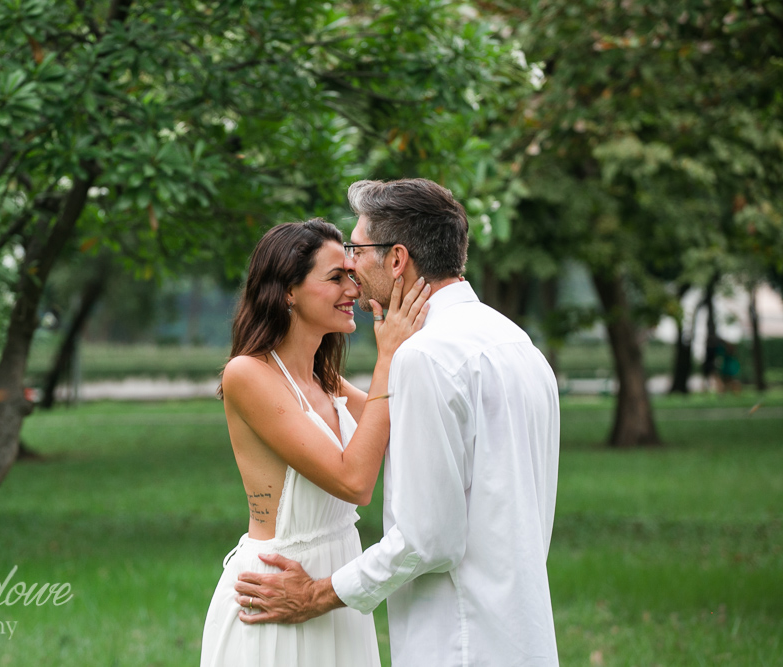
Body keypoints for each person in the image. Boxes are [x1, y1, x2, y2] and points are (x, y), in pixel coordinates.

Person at [234, 179, 562, 666]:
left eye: (358, 250)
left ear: (396, 260)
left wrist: (321, 594)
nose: (353, 270)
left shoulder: (425, 357)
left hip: (459, 639)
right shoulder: (516, 344)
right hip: (521, 631)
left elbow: (427, 537)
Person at [199, 218, 431, 666]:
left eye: (351, 272)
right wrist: (389, 357)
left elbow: (403, 423)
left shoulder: (326, 381)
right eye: (336, 277)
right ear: (289, 291)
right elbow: (354, 481)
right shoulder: (248, 374)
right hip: (274, 591)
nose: (353, 287)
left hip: (331, 586)